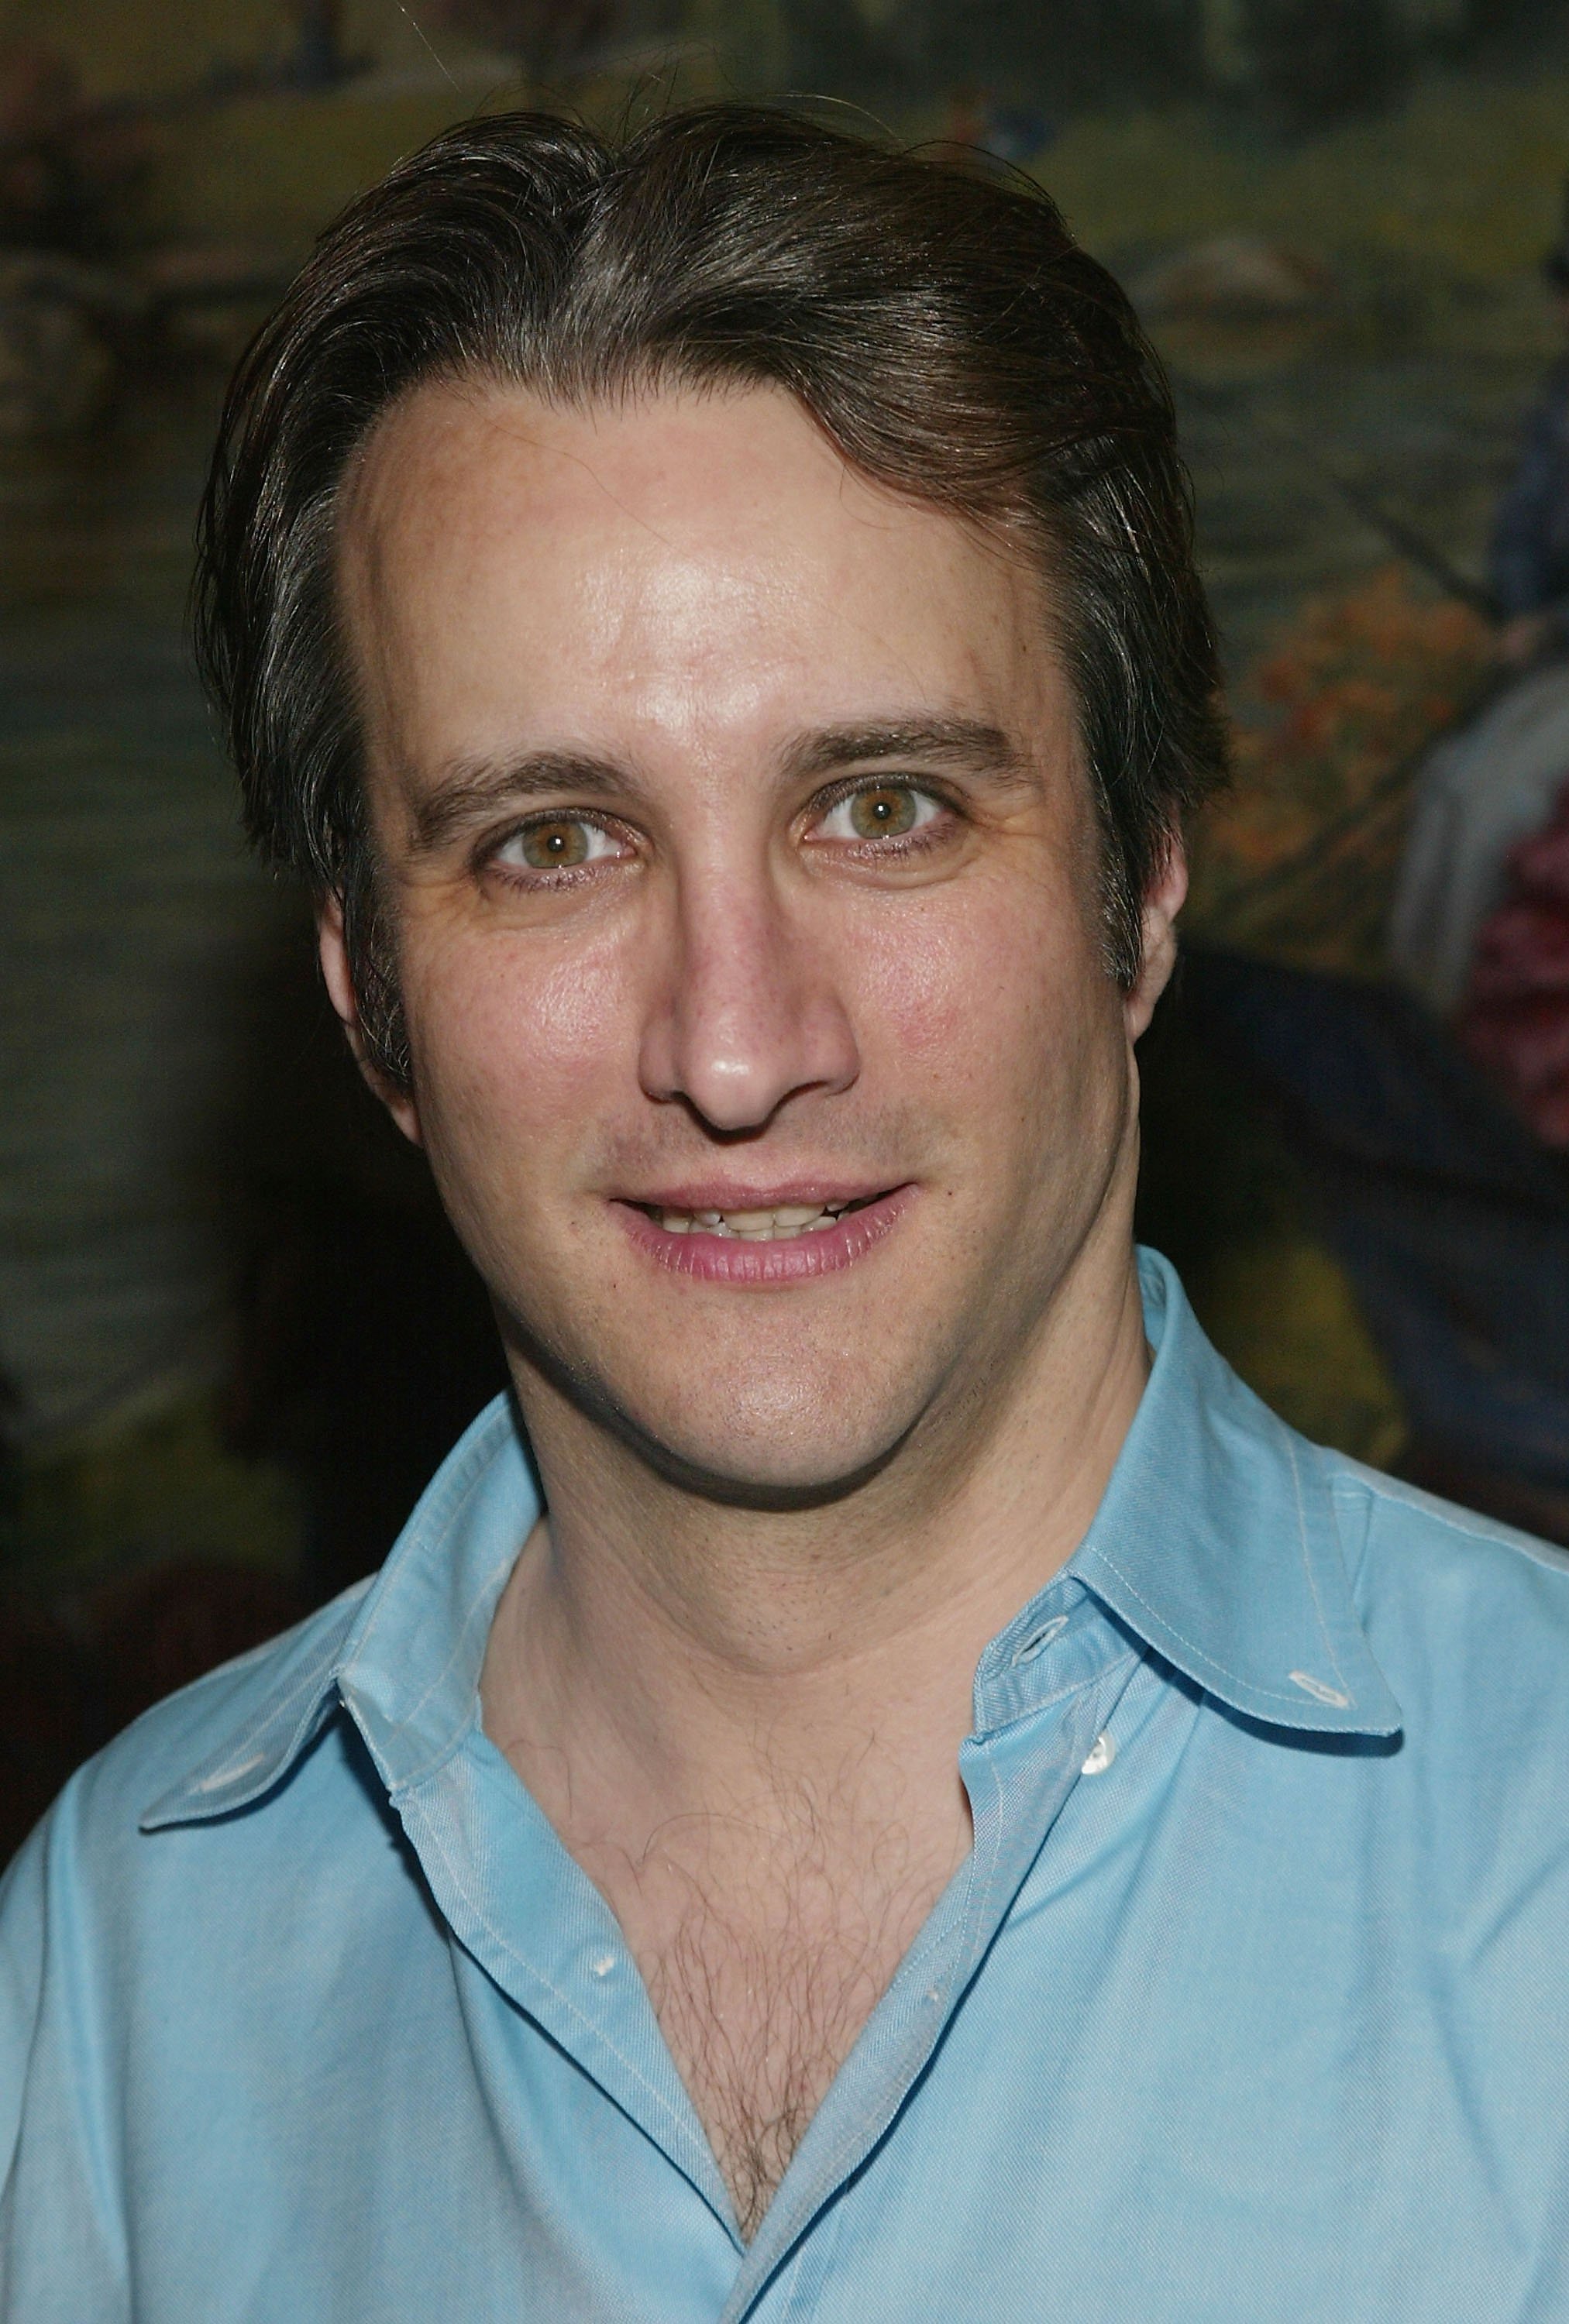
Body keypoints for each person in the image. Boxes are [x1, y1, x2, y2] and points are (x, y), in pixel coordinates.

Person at [5, 105, 1569, 2322]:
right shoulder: (116, 1972)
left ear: (1135, 892)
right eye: (551, 842)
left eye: (885, 806)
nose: (734, 1049)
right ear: (370, 996)